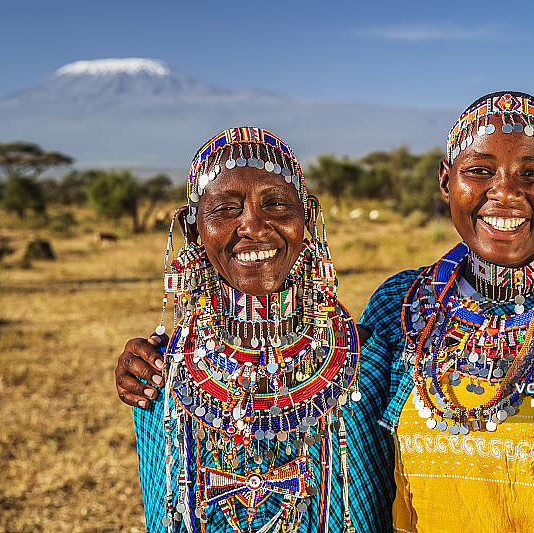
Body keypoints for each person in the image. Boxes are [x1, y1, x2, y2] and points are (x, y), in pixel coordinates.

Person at [118, 94, 534, 532]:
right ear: (447, 183)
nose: (504, 192)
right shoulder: (396, 315)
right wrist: (155, 359)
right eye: (479, 170)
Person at [122, 127, 395, 532]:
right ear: (195, 230)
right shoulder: (164, 373)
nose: (254, 225)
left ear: (307, 219)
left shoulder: (366, 361)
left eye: (277, 204)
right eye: (226, 209)